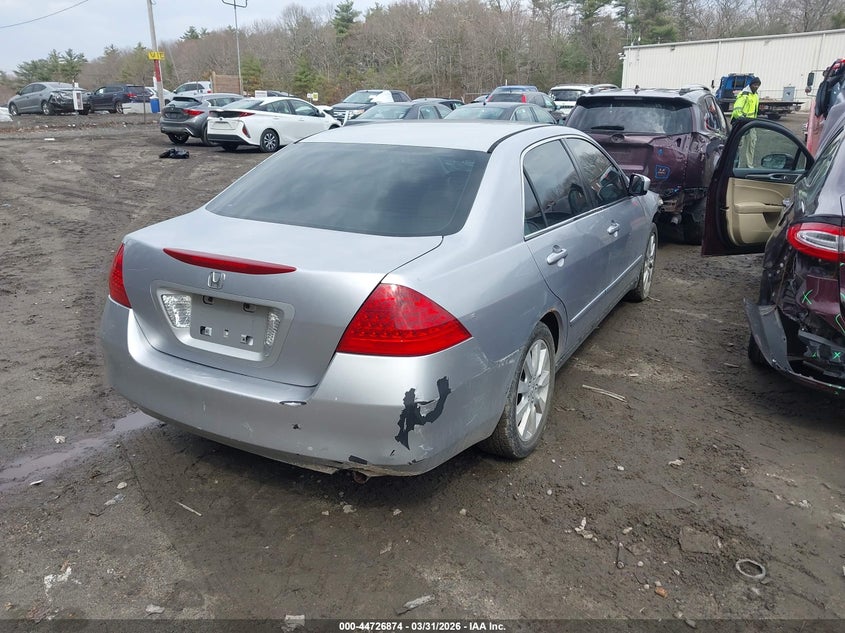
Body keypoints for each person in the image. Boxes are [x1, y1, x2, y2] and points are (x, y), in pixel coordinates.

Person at [731, 77, 761, 167]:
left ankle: (749, 166)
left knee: (752, 144)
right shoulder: (744, 95)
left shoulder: (756, 95)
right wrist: (742, 119)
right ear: (750, 85)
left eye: (758, 85)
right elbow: (736, 111)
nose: (756, 87)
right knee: (738, 145)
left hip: (751, 123)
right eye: (755, 85)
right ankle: (735, 165)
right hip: (742, 123)